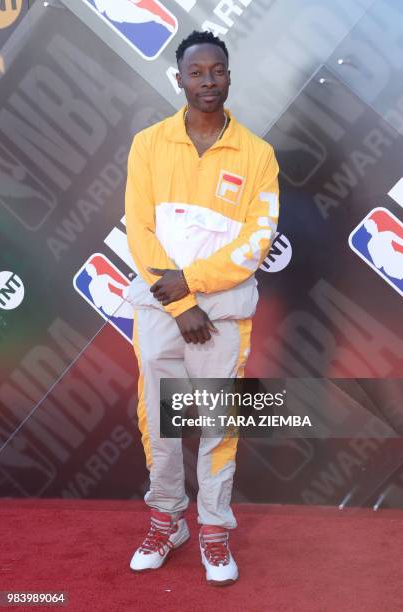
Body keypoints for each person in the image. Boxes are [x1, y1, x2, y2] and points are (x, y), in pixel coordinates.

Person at [125, 30, 280, 586]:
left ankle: (214, 530)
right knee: (157, 423)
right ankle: (167, 520)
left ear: (230, 76)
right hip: (159, 309)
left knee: (218, 422)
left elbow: (256, 242)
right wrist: (181, 301)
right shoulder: (148, 143)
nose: (207, 81)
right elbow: (139, 231)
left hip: (222, 312)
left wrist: (190, 287)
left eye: (217, 71)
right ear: (180, 78)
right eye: (196, 72)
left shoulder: (258, 154)